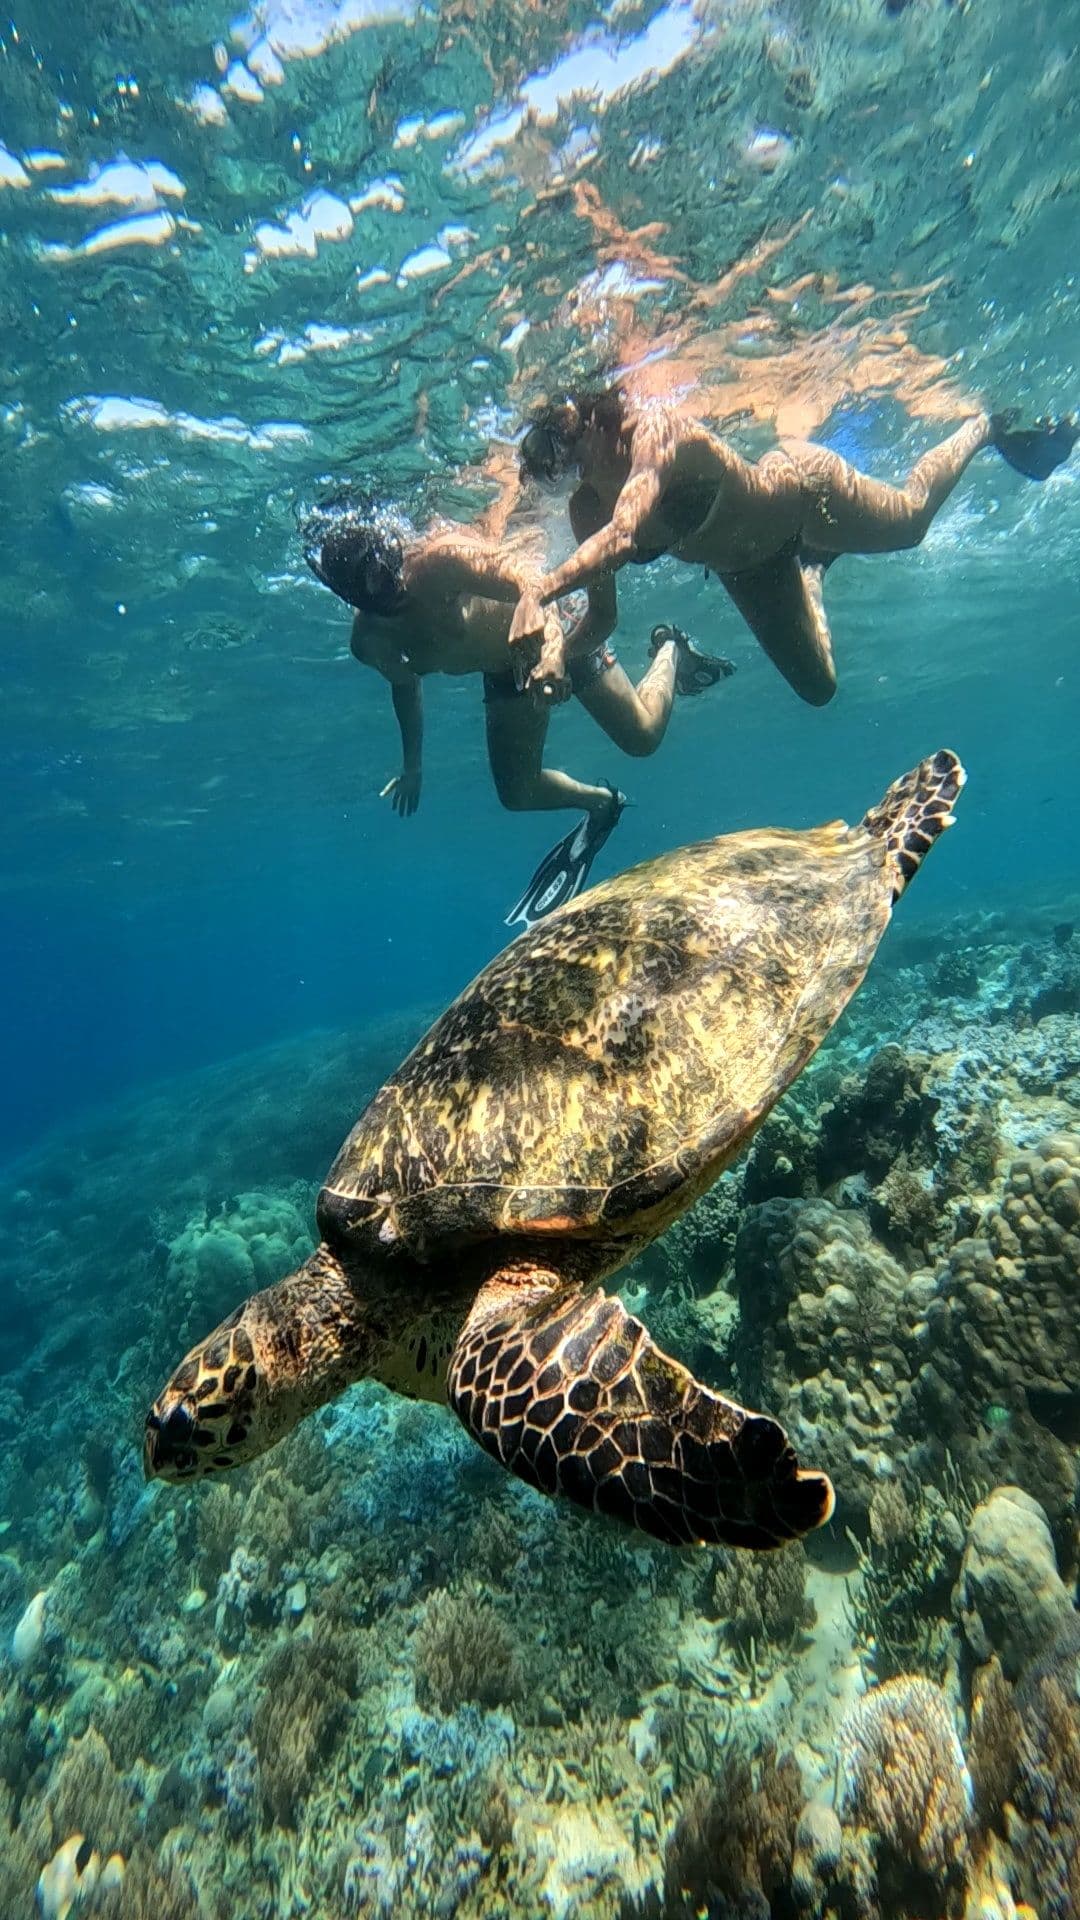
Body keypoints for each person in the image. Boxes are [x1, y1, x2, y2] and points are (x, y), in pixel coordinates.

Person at [302, 494, 733, 927]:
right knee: (517, 794)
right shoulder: (370, 643)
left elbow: (528, 578)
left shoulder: (437, 563)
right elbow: (404, 685)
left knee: (642, 738)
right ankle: (604, 803)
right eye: (371, 587)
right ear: (347, 591)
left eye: (388, 571)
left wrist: (552, 649)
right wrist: (412, 765)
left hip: (558, 627)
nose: (389, 588)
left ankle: (672, 649)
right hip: (505, 672)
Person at [513, 393, 1079, 706]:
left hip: (804, 493)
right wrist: (559, 653)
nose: (562, 461)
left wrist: (540, 588)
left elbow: (627, 535)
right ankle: (812, 568)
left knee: (911, 522)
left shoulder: (655, 431)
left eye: (561, 438)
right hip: (748, 569)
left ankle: (982, 427)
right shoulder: (585, 507)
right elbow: (604, 617)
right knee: (819, 689)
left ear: (592, 413)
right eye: (548, 453)